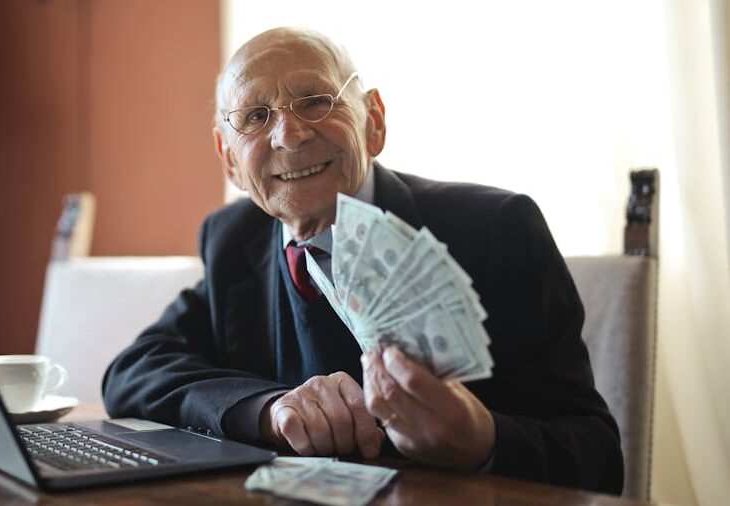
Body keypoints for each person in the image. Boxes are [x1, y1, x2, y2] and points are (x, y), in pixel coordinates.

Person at [102, 27, 623, 494]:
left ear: (373, 121)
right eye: (257, 116)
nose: (289, 133)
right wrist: (270, 409)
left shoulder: (496, 229)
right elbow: (134, 371)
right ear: (229, 159)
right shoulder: (234, 238)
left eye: (314, 100)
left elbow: (598, 456)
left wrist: (482, 438)